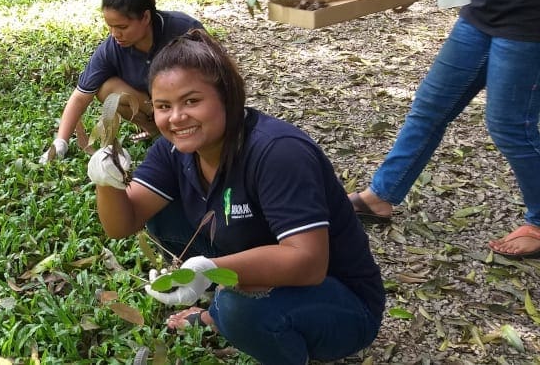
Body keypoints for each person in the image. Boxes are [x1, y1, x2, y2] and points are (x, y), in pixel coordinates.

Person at [89, 29, 383, 364]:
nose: (176, 117)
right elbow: (122, 224)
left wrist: (209, 270)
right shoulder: (172, 150)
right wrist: (106, 180)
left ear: (226, 97)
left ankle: (249, 321)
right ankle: (226, 308)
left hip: (345, 305)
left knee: (237, 309)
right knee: (160, 212)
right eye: (163, 106)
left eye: (192, 101)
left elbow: (309, 264)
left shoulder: (278, 153)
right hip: (269, 259)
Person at [347, 0, 540, 259]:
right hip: (481, 10)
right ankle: (381, 195)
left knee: (509, 126)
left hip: (530, 20)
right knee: (430, 107)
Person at [39, 0, 205, 163]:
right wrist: (61, 143)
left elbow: (221, 77)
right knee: (106, 89)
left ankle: (182, 132)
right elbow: (79, 98)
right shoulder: (112, 48)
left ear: (145, 17)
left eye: (122, 27)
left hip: (191, 104)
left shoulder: (183, 29)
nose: (115, 34)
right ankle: (160, 133)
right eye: (110, 26)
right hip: (154, 107)